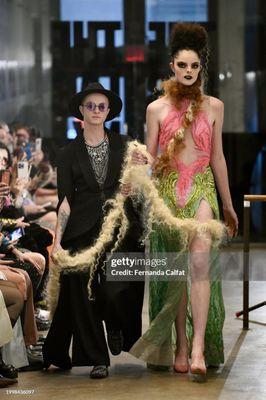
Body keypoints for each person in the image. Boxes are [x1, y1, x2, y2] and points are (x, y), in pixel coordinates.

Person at [129, 22, 238, 377]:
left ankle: (199, 348)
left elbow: (218, 157)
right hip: (167, 191)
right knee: (175, 270)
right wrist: (136, 170)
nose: (189, 71)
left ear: (200, 68)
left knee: (200, 261)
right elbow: (151, 154)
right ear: (172, 67)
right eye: (183, 65)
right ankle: (179, 343)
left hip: (203, 186)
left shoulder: (215, 107)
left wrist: (228, 204)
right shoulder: (156, 109)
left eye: (195, 66)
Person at [43, 82, 144, 378]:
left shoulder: (124, 144)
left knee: (117, 288)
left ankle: (115, 324)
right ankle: (96, 357)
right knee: (80, 287)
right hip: (82, 228)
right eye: (91, 106)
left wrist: (132, 183)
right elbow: (64, 201)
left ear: (109, 111)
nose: (96, 111)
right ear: (81, 112)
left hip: (120, 225)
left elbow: (140, 181)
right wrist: (58, 244)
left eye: (101, 106)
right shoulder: (67, 153)